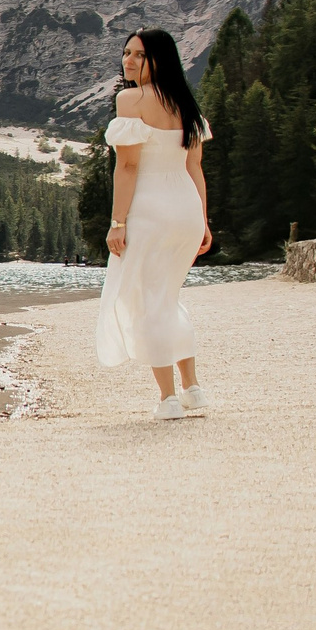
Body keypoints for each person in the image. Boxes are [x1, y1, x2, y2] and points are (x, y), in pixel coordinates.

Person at [93, 28, 213, 418]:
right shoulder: (186, 102)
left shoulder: (131, 99)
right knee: (167, 298)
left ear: (160, 59)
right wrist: (204, 221)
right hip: (186, 211)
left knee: (147, 303)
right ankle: (192, 388)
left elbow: (127, 166)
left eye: (139, 55)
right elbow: (194, 167)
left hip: (151, 210)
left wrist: (117, 222)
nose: (128, 61)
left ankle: (168, 399)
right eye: (126, 53)